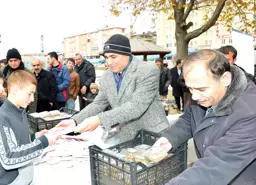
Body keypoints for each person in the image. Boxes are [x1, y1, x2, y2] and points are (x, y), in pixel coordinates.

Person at [153, 49, 256, 185]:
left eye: (201, 89)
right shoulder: (204, 94)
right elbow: (189, 118)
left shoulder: (250, 112)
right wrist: (170, 138)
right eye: (190, 88)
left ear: (225, 79)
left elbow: (216, 166)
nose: (194, 96)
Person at [57, 34, 169, 145]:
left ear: (127, 55)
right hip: (127, 137)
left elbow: (136, 106)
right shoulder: (107, 76)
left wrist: (99, 119)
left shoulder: (147, 70)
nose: (109, 62)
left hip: (154, 135)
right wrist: (75, 120)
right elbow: (98, 104)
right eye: (106, 57)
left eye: (113, 57)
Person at [0, 70, 58, 185]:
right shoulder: (2, 118)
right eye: (29, 94)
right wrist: (42, 142)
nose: (32, 99)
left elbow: (17, 140)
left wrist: (34, 137)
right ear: (14, 91)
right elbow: (8, 158)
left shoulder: (20, 111)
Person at [3, 48, 37, 113]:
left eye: (15, 60)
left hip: (24, 107)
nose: (13, 63)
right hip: (8, 106)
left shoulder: (27, 73)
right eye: (11, 61)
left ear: (20, 60)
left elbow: (34, 93)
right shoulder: (4, 72)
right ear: (8, 61)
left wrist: (32, 112)